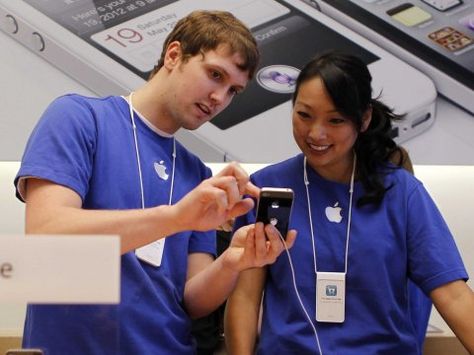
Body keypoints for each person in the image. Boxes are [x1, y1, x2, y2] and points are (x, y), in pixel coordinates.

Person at [14, 10, 296, 355]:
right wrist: (176, 217)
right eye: (214, 75)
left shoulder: (198, 174)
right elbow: (47, 235)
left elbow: (192, 300)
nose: (219, 98)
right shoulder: (80, 117)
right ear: (174, 55)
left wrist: (233, 261)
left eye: (233, 90)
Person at [224, 51, 474, 354]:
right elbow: (245, 297)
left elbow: (454, 295)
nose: (316, 133)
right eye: (304, 115)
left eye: (336, 120)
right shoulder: (267, 188)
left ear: (364, 119)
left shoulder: (401, 192)